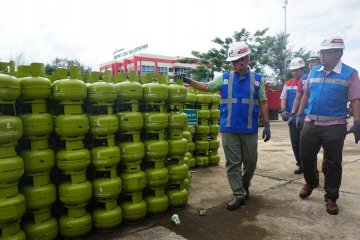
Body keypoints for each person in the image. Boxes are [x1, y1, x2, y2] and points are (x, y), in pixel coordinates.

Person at [176, 42, 271, 210]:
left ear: (246, 59)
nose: (232, 64)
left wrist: (267, 125)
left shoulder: (257, 79)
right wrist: (190, 81)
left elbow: (263, 102)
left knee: (251, 162)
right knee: (233, 163)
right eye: (231, 62)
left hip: (249, 128)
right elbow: (207, 87)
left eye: (235, 61)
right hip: (229, 128)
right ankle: (238, 195)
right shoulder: (225, 77)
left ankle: (244, 185)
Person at [296, 34, 360, 215]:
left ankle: (331, 197)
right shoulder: (314, 72)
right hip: (311, 123)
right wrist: (299, 115)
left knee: (333, 162)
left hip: (335, 125)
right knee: (306, 156)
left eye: (326, 53)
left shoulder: (350, 73)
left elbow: (356, 98)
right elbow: (306, 95)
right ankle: (311, 181)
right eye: (321, 52)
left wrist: (357, 121)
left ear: (338, 53)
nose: (322, 56)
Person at [288, 51, 328, 177]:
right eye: (309, 62)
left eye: (314, 61)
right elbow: (299, 98)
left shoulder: (329, 75)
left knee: (328, 149)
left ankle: (327, 170)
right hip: (308, 119)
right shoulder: (304, 79)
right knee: (309, 149)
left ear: (321, 61)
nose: (311, 64)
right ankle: (312, 175)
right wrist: (294, 114)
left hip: (328, 120)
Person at [279, 57, 306, 174]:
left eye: (297, 70)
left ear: (302, 70)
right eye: (293, 70)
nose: (294, 72)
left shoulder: (308, 81)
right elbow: (283, 98)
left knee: (306, 143)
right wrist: (284, 110)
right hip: (293, 118)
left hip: (307, 118)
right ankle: (300, 164)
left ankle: (309, 165)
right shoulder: (288, 83)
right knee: (295, 143)